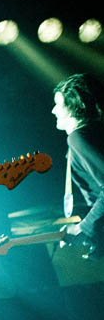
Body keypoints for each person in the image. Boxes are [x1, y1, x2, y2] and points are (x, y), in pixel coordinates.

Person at [52, 73, 104, 258]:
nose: (53, 111)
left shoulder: (78, 138)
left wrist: (84, 227)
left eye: (58, 104)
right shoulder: (92, 132)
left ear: (73, 106)